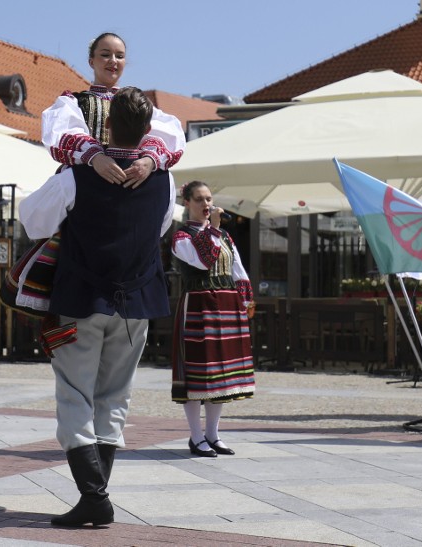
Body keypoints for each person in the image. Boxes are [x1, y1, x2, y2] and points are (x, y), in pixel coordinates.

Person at [20, 87, 174, 527]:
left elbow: (32, 220)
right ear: (148, 131)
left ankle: (94, 496)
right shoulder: (165, 177)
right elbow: (160, 227)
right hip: (138, 301)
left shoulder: (76, 174)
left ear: (104, 126)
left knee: (75, 395)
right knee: (114, 397)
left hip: (82, 299)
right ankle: (96, 496)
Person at [172, 181, 255, 458]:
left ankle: (213, 434)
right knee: (198, 374)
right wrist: (215, 229)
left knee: (220, 374)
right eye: (199, 200)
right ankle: (196, 437)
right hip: (198, 305)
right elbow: (203, 261)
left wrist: (245, 301)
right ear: (187, 203)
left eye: (209, 199)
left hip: (226, 306)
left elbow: (237, 269)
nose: (206, 205)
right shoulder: (181, 236)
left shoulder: (225, 237)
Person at [42, 32, 185, 186]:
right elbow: (59, 132)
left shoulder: (137, 104)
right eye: (105, 55)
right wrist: (95, 156)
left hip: (129, 181)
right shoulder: (73, 102)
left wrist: (149, 160)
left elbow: (171, 134)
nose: (113, 61)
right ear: (91, 61)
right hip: (85, 182)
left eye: (119, 56)